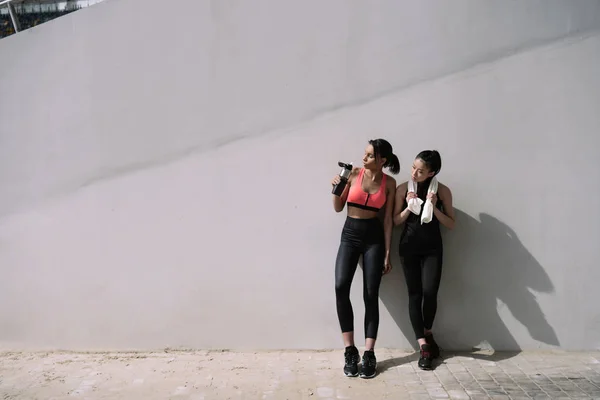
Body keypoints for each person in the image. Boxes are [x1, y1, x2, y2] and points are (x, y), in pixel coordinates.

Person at [330, 138, 400, 378]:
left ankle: (369, 353)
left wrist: (388, 252)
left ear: (382, 160)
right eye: (365, 153)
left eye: (370, 155)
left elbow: (388, 220)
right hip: (350, 233)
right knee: (341, 287)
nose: (364, 158)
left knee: (371, 293)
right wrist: (337, 187)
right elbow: (338, 207)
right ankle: (350, 351)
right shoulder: (353, 174)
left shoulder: (389, 183)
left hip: (374, 237)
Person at [393, 150, 455, 370]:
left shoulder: (443, 191)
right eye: (413, 168)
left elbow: (451, 223)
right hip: (408, 247)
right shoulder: (403, 189)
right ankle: (424, 346)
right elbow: (395, 220)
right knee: (414, 294)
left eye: (420, 171)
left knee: (430, 292)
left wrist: (434, 206)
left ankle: (428, 333)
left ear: (432, 172)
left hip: (432, 249)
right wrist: (409, 207)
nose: (414, 173)